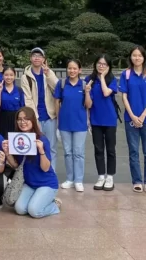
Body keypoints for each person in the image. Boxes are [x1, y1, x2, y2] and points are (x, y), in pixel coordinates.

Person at [4, 107, 61, 218]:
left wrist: (41, 151)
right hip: (30, 184)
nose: (23, 122)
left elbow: (45, 168)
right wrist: (7, 153)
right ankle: (39, 199)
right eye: (19, 119)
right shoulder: (17, 139)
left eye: (26, 119)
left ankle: (55, 205)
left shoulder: (42, 139)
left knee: (34, 211)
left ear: (33, 120)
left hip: (46, 183)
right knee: (20, 209)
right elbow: (16, 165)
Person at [120, 46, 146, 193]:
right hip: (130, 118)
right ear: (130, 57)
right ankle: (136, 180)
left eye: (140, 55)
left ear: (144, 58)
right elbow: (124, 96)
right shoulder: (126, 75)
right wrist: (132, 116)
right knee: (133, 151)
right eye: (134, 55)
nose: (137, 58)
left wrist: (142, 116)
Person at [85, 54, 119, 191]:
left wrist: (103, 77)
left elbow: (106, 93)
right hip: (96, 119)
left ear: (108, 66)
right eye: (99, 63)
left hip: (110, 119)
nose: (101, 66)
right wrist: (87, 92)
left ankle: (110, 176)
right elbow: (88, 104)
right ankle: (101, 176)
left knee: (110, 149)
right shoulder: (89, 80)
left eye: (104, 64)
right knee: (98, 149)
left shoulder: (112, 79)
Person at [20, 47, 59, 164]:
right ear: (30, 58)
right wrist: (34, 117)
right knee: (35, 147)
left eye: (39, 56)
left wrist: (49, 74)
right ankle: (39, 172)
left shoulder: (49, 73)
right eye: (34, 56)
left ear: (44, 59)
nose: (37, 58)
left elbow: (57, 90)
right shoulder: (25, 77)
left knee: (51, 147)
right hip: (35, 117)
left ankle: (51, 172)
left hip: (50, 116)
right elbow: (28, 99)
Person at [54, 59, 87, 192]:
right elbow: (57, 102)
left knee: (78, 153)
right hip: (65, 123)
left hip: (80, 124)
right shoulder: (62, 84)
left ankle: (78, 180)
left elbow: (89, 104)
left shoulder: (84, 85)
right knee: (68, 152)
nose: (72, 71)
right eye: (69, 68)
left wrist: (88, 92)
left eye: (74, 68)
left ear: (79, 70)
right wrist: (58, 121)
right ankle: (70, 179)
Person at [0, 66, 24, 139]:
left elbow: (22, 107)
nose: (9, 77)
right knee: (3, 140)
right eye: (6, 75)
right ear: (3, 76)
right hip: (2, 118)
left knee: (15, 139)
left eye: (11, 75)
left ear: (14, 76)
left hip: (16, 118)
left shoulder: (19, 90)